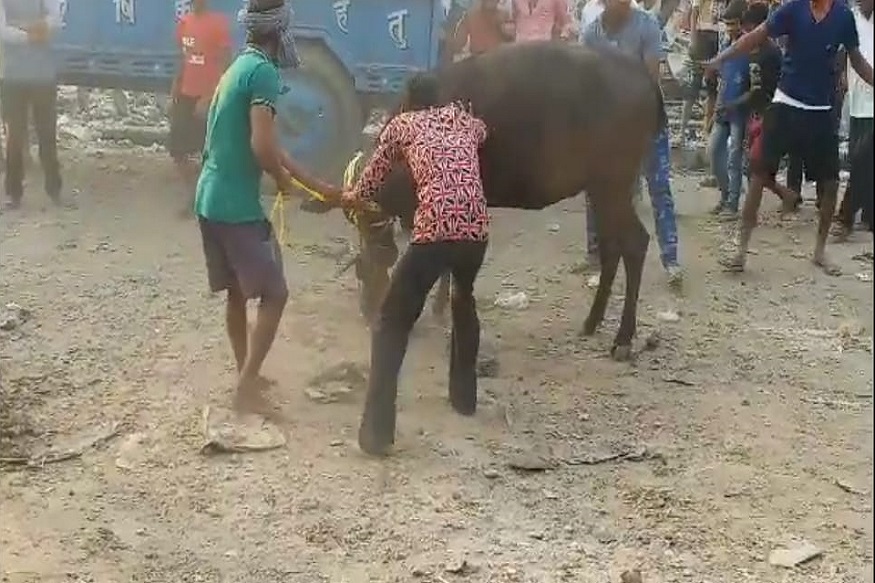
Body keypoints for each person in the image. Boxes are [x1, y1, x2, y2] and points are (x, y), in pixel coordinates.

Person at [194, 0, 339, 414]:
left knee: (238, 294)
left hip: (210, 197)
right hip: (235, 205)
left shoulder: (240, 66)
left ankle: (247, 373)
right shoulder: (264, 73)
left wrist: (318, 187)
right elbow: (263, 148)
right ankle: (245, 388)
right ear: (281, 31)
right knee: (275, 294)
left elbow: (270, 147)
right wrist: (281, 181)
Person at [341, 73, 489, 456]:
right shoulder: (464, 122)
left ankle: (376, 433)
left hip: (435, 230)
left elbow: (371, 183)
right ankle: (464, 398)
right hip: (476, 231)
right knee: (463, 295)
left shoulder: (401, 124)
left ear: (406, 100)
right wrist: (462, 115)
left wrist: (350, 197)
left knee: (391, 323)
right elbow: (483, 131)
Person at [708, 0, 874, 275]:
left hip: (821, 109)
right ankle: (740, 251)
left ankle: (820, 252)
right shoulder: (793, 9)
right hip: (786, 104)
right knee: (759, 175)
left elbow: (856, 60)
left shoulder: (843, 16)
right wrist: (720, 59)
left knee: (831, 183)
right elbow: (754, 37)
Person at [581, 0, 684, 286]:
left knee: (659, 188)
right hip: (610, 128)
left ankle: (671, 258)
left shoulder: (646, 25)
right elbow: (586, 86)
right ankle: (601, 256)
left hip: (646, 121)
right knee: (602, 191)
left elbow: (649, 80)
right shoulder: (591, 35)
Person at [171, 0, 232, 216]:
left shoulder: (218, 24)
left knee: (208, 152)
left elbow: (226, 64)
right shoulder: (184, 23)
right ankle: (195, 193)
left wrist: (209, 97)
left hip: (208, 97)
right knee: (177, 149)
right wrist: (175, 88)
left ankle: (207, 201)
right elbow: (183, 59)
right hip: (185, 94)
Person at [0, 0, 63, 209]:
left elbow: (56, 19)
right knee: (14, 137)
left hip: (42, 75)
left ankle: (54, 189)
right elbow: (2, 30)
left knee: (47, 134)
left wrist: (30, 28)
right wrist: (30, 35)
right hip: (13, 75)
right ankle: (13, 192)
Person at [740, 3, 798, 203]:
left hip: (769, 112)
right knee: (756, 164)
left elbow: (766, 87)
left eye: (749, 28)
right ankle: (784, 195)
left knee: (756, 164)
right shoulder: (758, 50)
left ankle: (786, 195)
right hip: (759, 112)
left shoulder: (771, 54)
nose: (746, 32)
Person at [833, 0, 872, 239]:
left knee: (862, 159)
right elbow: (843, 51)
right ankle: (866, 215)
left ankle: (845, 217)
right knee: (862, 159)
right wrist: (840, 76)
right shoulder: (851, 17)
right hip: (858, 100)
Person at [707, 0, 749, 220]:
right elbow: (723, 80)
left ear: (741, 23)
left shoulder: (748, 47)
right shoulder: (724, 45)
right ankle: (725, 197)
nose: (729, 28)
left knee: (734, 158)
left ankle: (732, 204)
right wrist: (715, 109)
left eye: (733, 24)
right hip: (724, 109)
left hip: (740, 111)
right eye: (727, 24)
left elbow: (753, 87)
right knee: (714, 153)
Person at [678, 0, 726, 147]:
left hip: (718, 36)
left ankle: (707, 132)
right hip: (703, 36)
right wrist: (693, 39)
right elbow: (694, 13)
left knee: (712, 88)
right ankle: (682, 131)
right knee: (692, 87)